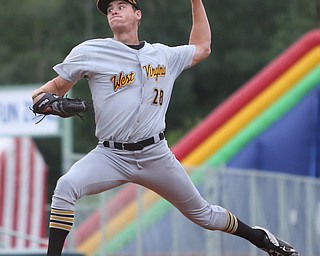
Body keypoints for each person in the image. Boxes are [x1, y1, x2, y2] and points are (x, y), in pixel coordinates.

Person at [32, 0, 300, 255]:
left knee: (204, 215)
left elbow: (202, 46)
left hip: (155, 155)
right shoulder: (91, 51)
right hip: (111, 155)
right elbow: (47, 92)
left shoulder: (163, 55)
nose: (113, 11)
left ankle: (262, 239)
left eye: (121, 6)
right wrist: (48, 103)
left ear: (138, 14)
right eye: (109, 9)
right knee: (66, 186)